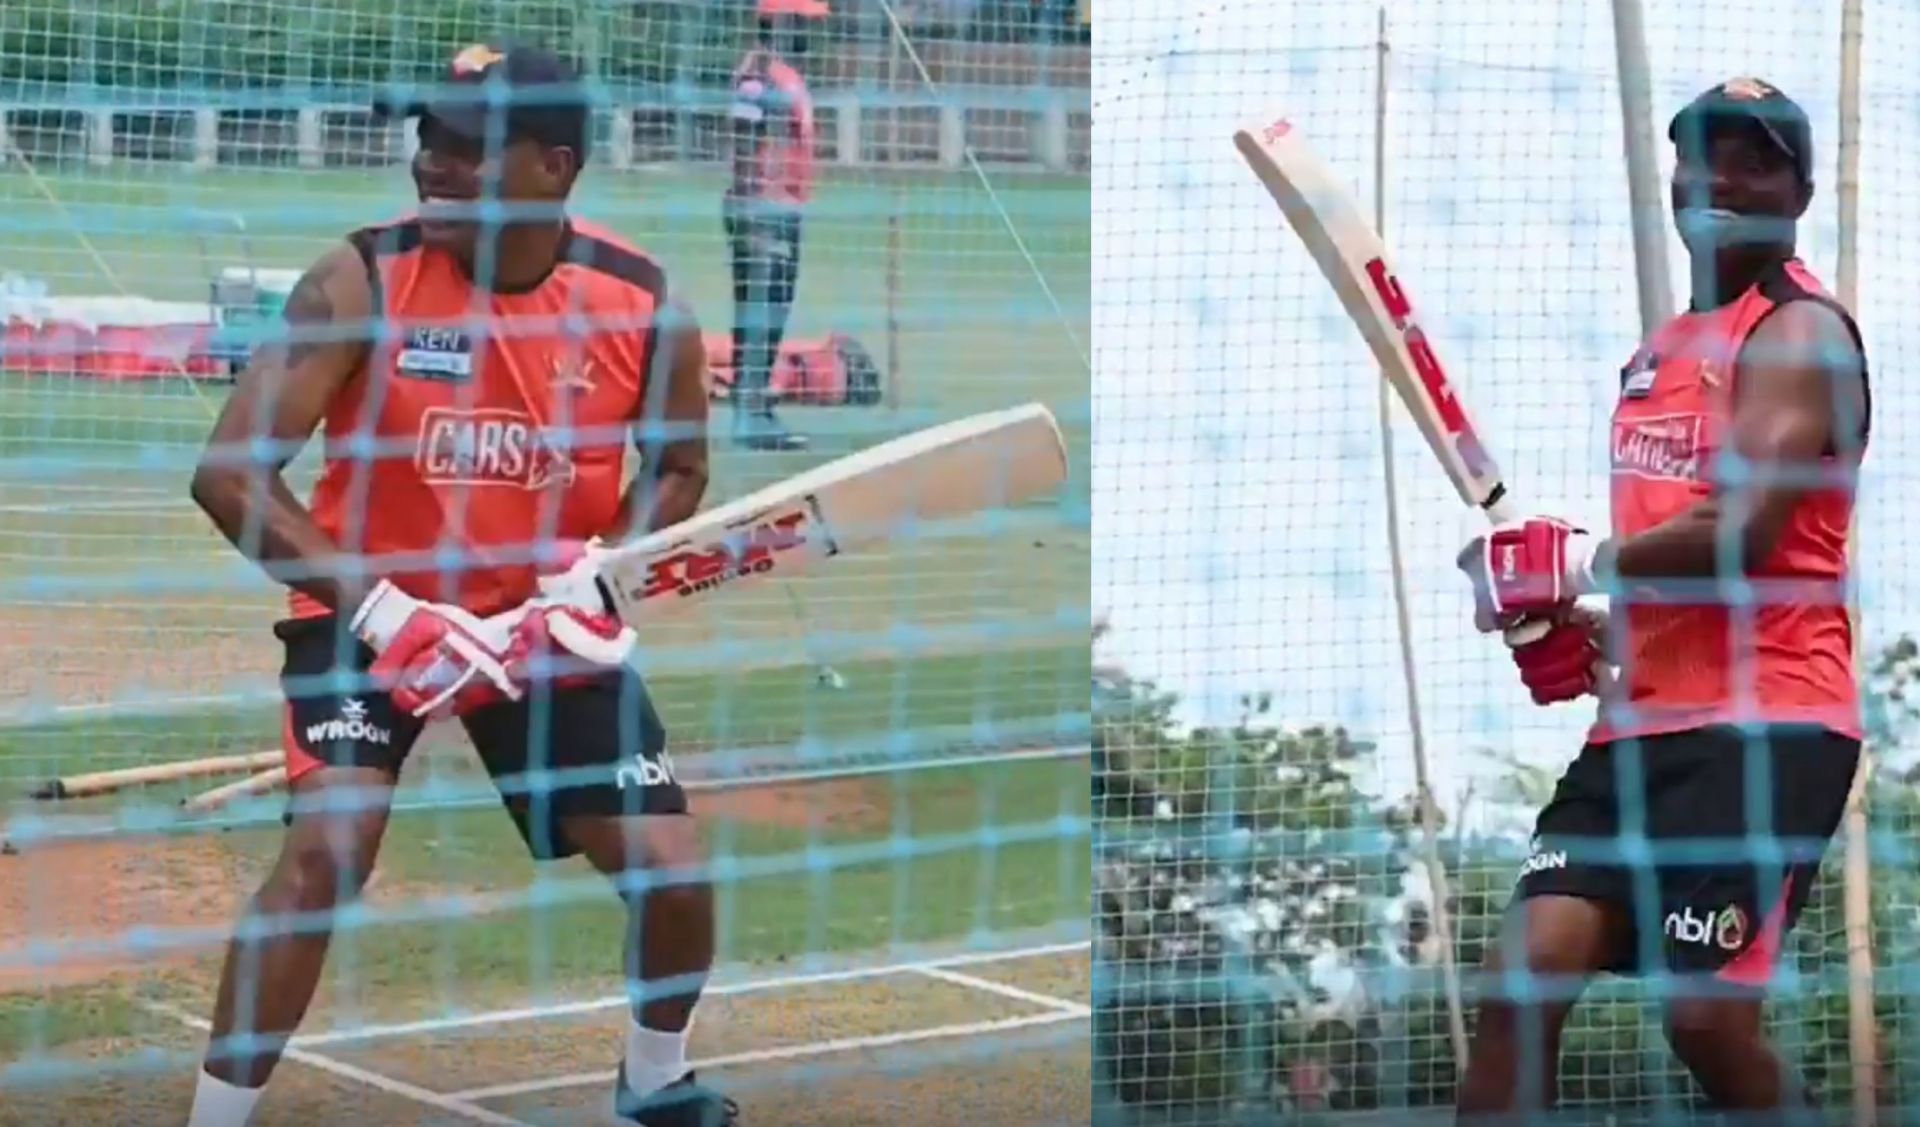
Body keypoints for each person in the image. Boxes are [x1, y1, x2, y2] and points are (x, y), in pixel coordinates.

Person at [184, 42, 736, 1127]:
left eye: (473, 147)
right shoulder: (363, 276)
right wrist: (388, 611)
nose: (434, 161)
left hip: (540, 629)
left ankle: (656, 1076)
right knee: (327, 852)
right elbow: (228, 470)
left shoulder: (640, 304)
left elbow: (678, 468)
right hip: (367, 615)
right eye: (427, 136)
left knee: (671, 868)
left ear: (557, 167)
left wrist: (599, 572)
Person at [1452, 77, 1870, 1122]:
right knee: (1522, 980)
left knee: (1705, 1021)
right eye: (1704, 153)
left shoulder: (1799, 334)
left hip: (1768, 726)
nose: (1723, 175)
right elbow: (1655, 562)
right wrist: (1574, 621)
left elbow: (1742, 535)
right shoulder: (1656, 353)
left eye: (1756, 158)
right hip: (1640, 729)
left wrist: (1580, 560)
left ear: (1800, 190)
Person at [722, 0, 828, 451]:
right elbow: (746, 132)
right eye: (804, 21)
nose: (812, 32)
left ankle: (756, 406)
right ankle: (750, 414)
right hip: (763, 210)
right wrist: (756, 202)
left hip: (781, 208)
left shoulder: (784, 73)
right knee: (760, 311)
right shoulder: (761, 74)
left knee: (773, 309)